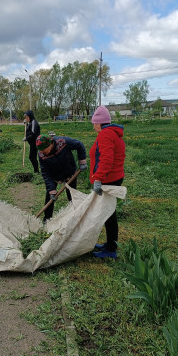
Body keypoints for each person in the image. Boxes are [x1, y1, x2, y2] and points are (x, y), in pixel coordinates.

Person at [89, 105, 125, 259]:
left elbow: (106, 159)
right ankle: (110, 244)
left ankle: (110, 250)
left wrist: (98, 178)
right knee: (109, 213)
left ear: (99, 123)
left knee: (109, 214)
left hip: (109, 179)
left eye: (94, 123)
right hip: (114, 177)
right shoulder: (113, 134)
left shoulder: (105, 135)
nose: (93, 126)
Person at [36, 133, 87, 222]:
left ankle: (76, 217)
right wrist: (51, 190)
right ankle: (47, 219)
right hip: (54, 175)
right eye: (41, 150)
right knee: (49, 199)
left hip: (70, 173)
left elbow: (79, 145)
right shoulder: (41, 154)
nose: (42, 152)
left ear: (50, 144)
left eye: (44, 150)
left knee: (72, 196)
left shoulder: (63, 142)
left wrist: (82, 161)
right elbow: (45, 173)